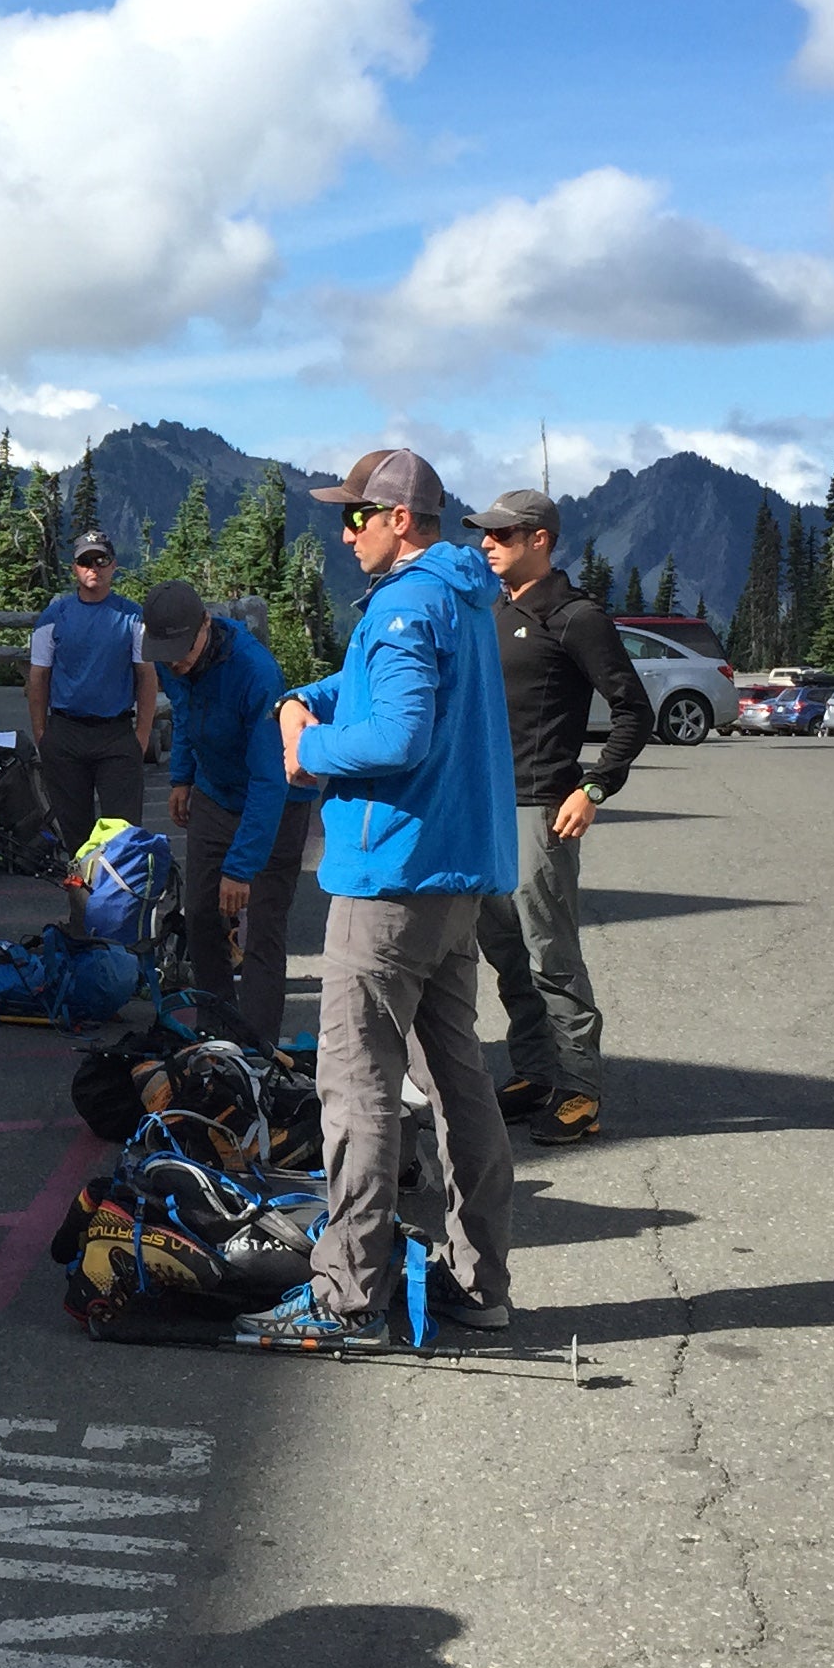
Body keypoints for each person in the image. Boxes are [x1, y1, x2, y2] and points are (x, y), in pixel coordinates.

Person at [240, 448, 518, 1352]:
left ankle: (345, 1291)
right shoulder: (461, 593)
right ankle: (482, 1285)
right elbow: (387, 685)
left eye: (358, 515)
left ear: (402, 520)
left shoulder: (403, 601)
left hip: (391, 876)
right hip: (456, 881)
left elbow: (398, 732)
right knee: (456, 1084)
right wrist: (304, 694)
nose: (345, 530)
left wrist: (307, 751)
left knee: (354, 1087)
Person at [465, 487, 652, 1146]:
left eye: (502, 535)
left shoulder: (575, 618)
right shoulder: (493, 612)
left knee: (551, 957)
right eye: (485, 535)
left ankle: (580, 1090)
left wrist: (594, 789)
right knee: (507, 955)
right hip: (484, 813)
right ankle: (537, 1073)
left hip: (541, 810)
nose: (487, 544)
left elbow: (633, 711)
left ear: (539, 539)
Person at [143, 578, 314, 1047]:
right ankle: (216, 1030)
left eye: (182, 648)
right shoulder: (169, 658)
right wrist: (181, 777)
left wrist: (241, 868)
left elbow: (270, 778)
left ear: (206, 624)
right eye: (165, 650)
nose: (175, 660)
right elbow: (181, 712)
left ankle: (255, 1049)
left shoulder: (255, 672)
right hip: (214, 793)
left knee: (261, 926)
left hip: (274, 806)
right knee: (200, 915)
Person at [27, 530, 155, 860]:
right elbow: (38, 677)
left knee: (123, 836)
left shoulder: (133, 616)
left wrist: (141, 735)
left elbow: (147, 677)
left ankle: (120, 909)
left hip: (116, 734)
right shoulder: (53, 617)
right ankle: (81, 910)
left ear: (114, 566)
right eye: (85, 561)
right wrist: (42, 734)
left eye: (101, 560)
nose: (93, 568)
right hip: (65, 734)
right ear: (74, 568)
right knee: (75, 837)